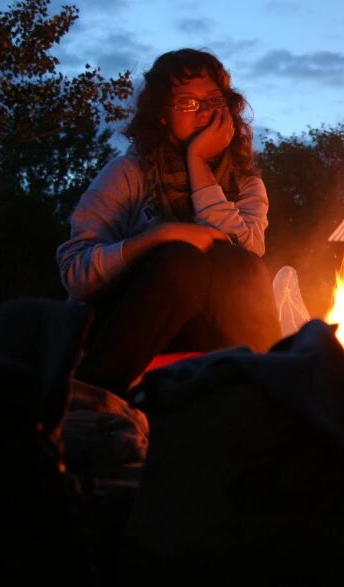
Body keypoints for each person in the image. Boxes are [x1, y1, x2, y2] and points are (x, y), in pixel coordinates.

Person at [57, 49, 280, 397]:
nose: (204, 112)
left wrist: (197, 162)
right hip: (123, 328)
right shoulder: (129, 173)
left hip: (204, 331)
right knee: (182, 260)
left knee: (238, 263)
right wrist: (158, 237)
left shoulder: (246, 184)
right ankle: (88, 396)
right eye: (187, 103)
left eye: (213, 100)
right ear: (161, 114)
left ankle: (269, 397)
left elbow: (247, 256)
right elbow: (75, 273)